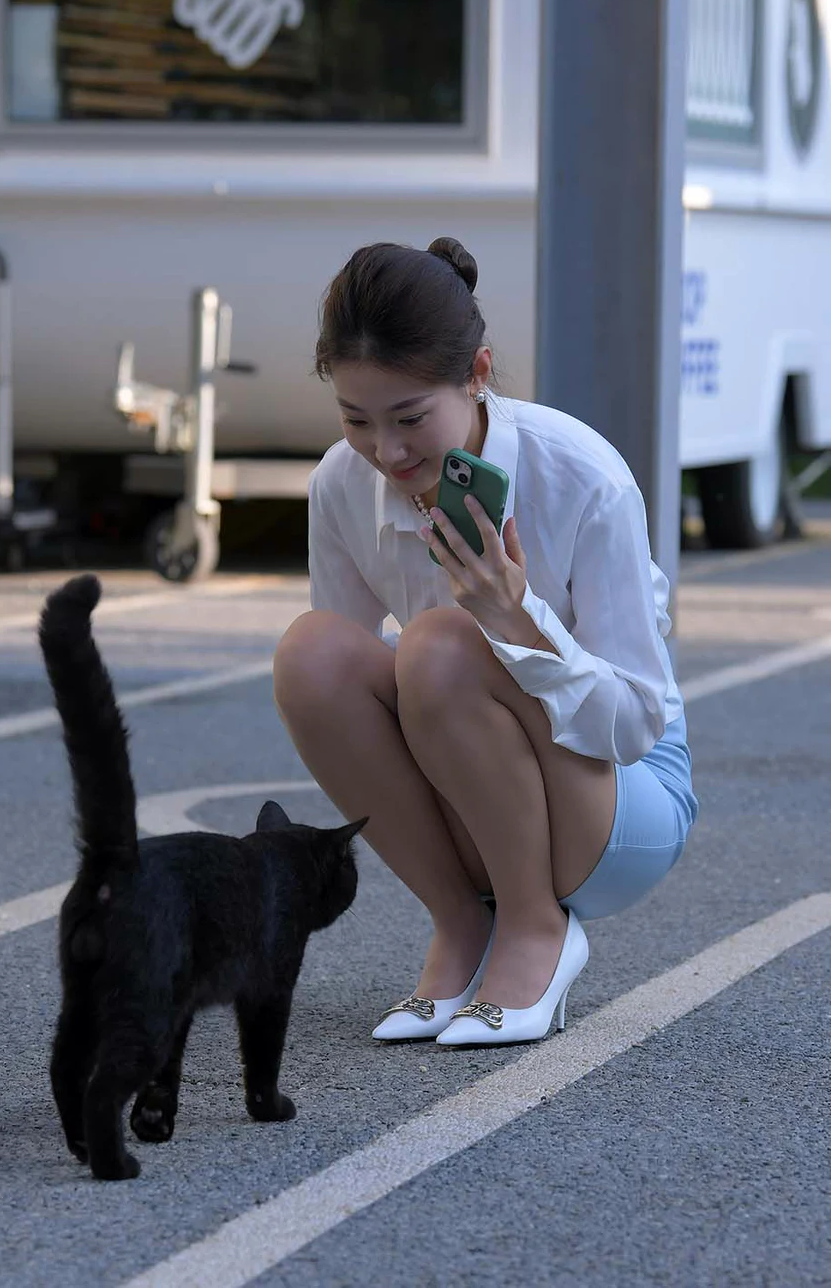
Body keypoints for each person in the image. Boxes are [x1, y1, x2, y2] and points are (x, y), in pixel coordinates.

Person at [272, 237, 698, 1047]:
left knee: (438, 642)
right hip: (482, 799)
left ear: (477, 372)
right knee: (311, 653)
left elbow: (637, 724)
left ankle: (537, 928)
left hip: (620, 807)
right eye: (356, 419)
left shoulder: (584, 477)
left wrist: (517, 620)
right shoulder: (341, 482)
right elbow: (354, 702)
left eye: (409, 418)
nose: (387, 452)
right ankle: (462, 925)